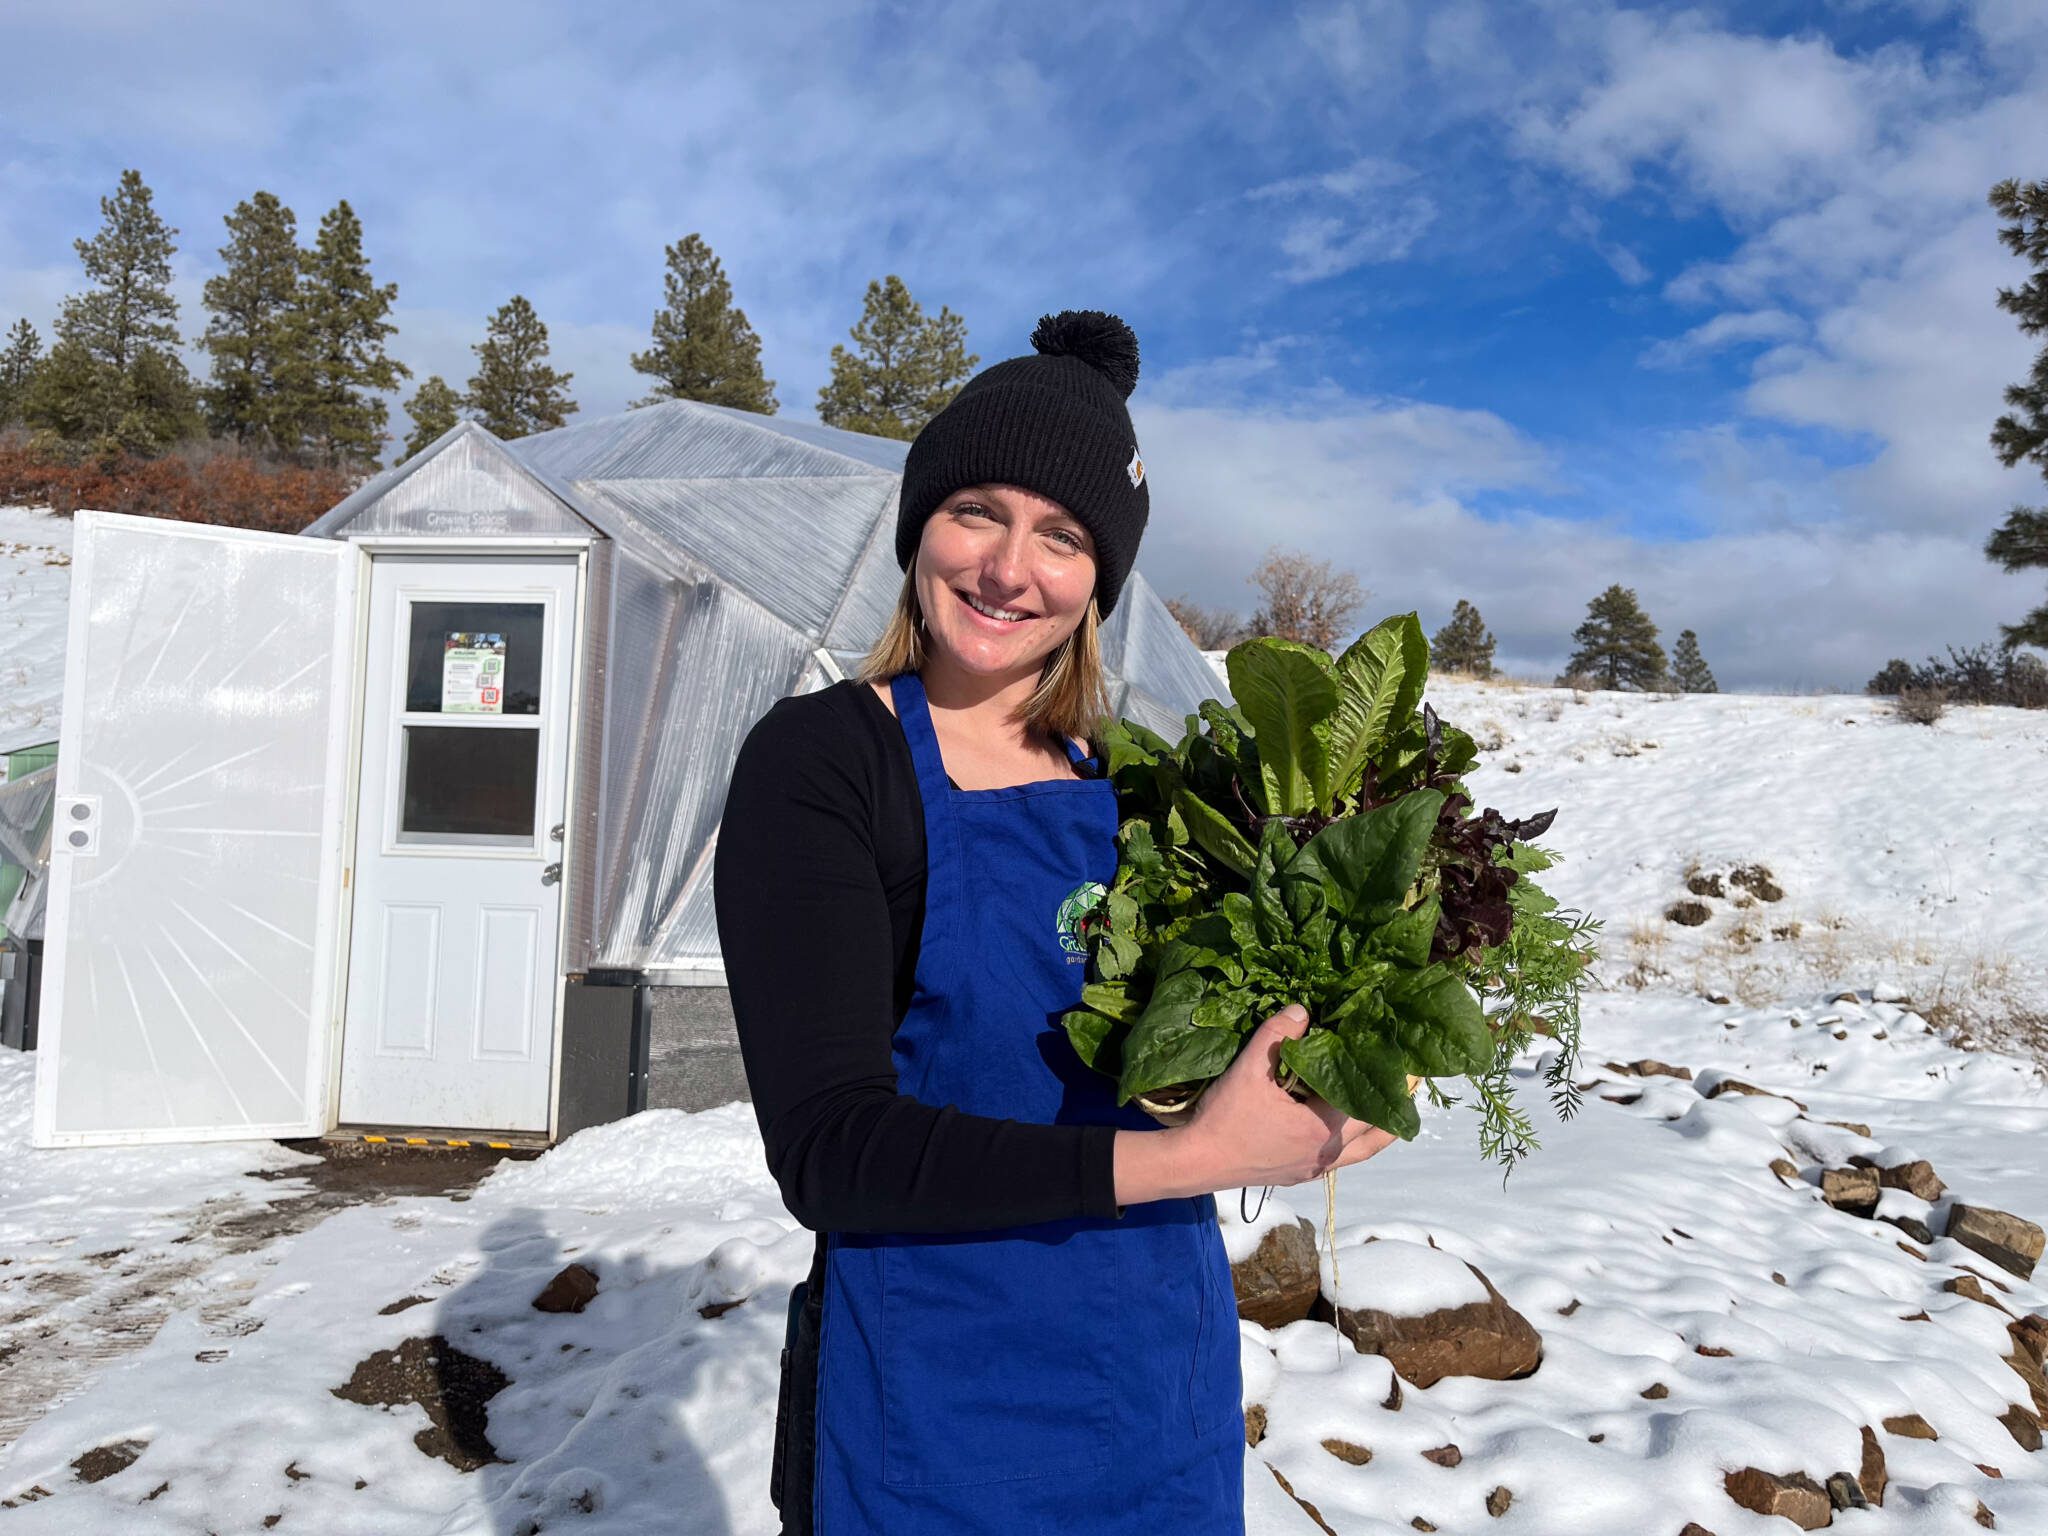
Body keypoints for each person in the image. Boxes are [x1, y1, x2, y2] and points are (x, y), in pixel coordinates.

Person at [714, 310, 1397, 1535]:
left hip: (1156, 1389)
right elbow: (832, 1151)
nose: (1008, 569)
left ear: (1100, 580)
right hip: (931, 1400)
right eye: (976, 509)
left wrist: (1338, 1082)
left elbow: (1221, 1057)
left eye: (1062, 535)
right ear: (918, 525)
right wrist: (1198, 1159)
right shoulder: (825, 764)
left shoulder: (1145, 787)